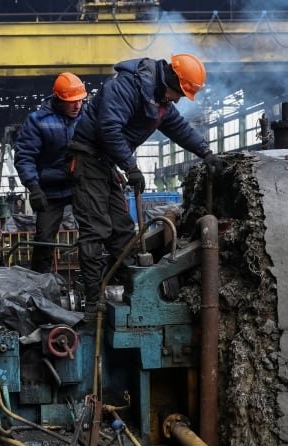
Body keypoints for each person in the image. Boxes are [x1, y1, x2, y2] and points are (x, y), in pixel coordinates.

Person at [67, 53, 224, 316]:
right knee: (96, 230)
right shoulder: (126, 87)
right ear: (171, 79)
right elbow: (108, 128)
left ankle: (128, 292)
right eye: (180, 93)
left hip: (106, 163)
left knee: (122, 230)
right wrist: (130, 166)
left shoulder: (159, 100)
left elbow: (179, 128)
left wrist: (206, 152)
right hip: (88, 159)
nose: (178, 99)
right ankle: (93, 304)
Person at [14, 72, 87, 273]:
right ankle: (40, 285)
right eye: (71, 102)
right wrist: (34, 187)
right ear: (58, 99)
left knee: (93, 234)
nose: (77, 106)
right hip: (49, 191)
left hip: (79, 185)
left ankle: (93, 282)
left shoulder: (89, 117)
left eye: (80, 101)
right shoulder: (38, 121)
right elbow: (25, 156)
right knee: (44, 239)